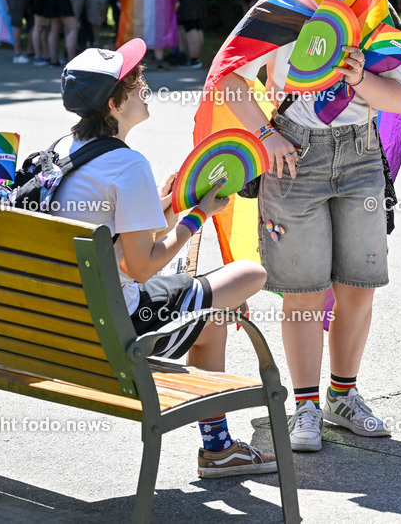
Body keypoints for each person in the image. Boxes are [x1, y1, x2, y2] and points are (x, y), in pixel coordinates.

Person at [196, 0, 401, 453]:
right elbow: (228, 79)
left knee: (358, 289)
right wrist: (267, 136)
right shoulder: (282, 6)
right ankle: (306, 407)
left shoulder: (374, 8)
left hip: (362, 157)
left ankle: (344, 396)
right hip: (296, 157)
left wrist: (362, 78)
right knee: (301, 293)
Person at [52, 39, 276, 478]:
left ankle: (220, 447)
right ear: (115, 103)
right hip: (117, 326)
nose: (145, 85)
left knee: (212, 306)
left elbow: (112, 244)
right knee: (246, 278)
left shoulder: (62, 152)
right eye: (136, 82)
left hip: (64, 318)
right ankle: (218, 448)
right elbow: (141, 267)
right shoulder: (126, 166)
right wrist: (195, 218)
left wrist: (166, 207)